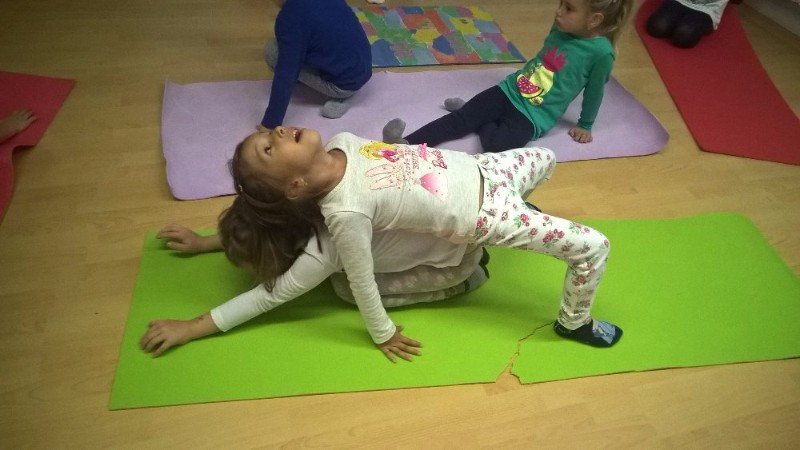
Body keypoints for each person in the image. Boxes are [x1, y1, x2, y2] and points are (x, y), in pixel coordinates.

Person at [230, 125, 622, 363]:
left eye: (268, 133)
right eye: (268, 149)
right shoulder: (345, 212)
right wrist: (383, 333)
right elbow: (361, 281)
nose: (277, 132)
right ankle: (574, 323)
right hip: (486, 214)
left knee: (547, 156)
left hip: (485, 167)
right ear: (295, 185)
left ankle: (523, 208)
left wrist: (206, 242)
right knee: (594, 247)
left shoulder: (342, 141)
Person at [140, 197, 490, 357]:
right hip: (458, 223)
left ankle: (467, 281)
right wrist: (203, 243)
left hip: (454, 262)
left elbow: (261, 300)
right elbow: (257, 228)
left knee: (347, 290)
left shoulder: (319, 256)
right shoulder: (302, 200)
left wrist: (190, 328)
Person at [382, 0, 633, 151]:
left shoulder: (602, 53)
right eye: (561, 3)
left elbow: (595, 91)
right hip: (510, 90)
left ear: (594, 19)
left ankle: (478, 118)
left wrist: (585, 124)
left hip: (534, 116)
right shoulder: (561, 26)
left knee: (496, 145)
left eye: (568, 8)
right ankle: (404, 144)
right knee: (459, 120)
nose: (558, 11)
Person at [259, 0, 372, 130]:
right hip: (364, 65)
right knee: (311, 40)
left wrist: (270, 123)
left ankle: (341, 96)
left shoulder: (291, 17)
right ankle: (343, 90)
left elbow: (286, 72)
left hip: (343, 85)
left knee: (273, 52)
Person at [645, 0, 740, 49]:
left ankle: (683, 24)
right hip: (680, 1)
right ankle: (676, 22)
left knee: (683, 36)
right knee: (656, 27)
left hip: (708, 8)